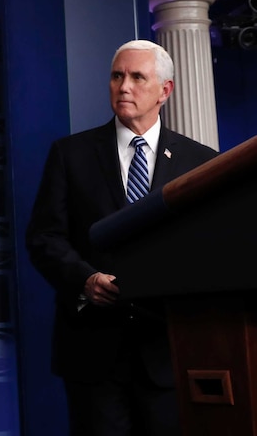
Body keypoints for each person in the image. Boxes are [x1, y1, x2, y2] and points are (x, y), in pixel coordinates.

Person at [26, 39, 218, 436]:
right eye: (117, 76)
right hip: (92, 352)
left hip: (168, 349)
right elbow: (45, 237)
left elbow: (207, 248)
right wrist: (84, 279)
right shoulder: (71, 153)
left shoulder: (200, 161)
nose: (124, 86)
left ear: (165, 90)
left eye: (137, 77)